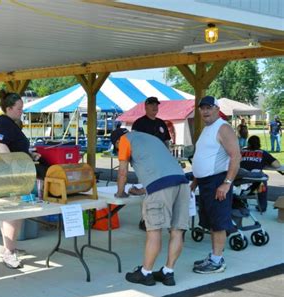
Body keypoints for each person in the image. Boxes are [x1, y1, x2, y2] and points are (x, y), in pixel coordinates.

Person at [111, 128, 189, 286]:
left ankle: (146, 273)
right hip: (182, 182)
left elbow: (122, 172)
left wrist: (120, 193)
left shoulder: (125, 140)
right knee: (177, 230)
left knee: (154, 231)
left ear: (118, 142)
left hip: (161, 187)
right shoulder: (150, 137)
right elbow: (159, 166)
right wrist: (144, 189)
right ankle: (168, 272)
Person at [0, 89, 42, 269]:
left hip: (11, 173)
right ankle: (9, 252)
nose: (22, 112)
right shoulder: (3, 124)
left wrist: (28, 155)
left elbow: (11, 146)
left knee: (10, 213)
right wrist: (13, 166)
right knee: (13, 212)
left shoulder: (10, 123)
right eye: (19, 109)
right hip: (8, 176)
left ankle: (8, 248)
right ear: (9, 108)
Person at [191, 96, 241, 274]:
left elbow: (236, 156)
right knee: (212, 222)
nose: (205, 111)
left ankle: (218, 261)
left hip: (217, 182)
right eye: (202, 108)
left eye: (209, 107)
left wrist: (226, 183)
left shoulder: (223, 128)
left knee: (219, 222)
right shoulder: (207, 129)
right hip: (205, 183)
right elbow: (203, 157)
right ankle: (214, 256)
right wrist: (195, 183)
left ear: (216, 109)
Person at [131, 96, 172, 231]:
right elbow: (134, 142)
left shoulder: (161, 123)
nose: (155, 107)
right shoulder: (139, 123)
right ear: (146, 107)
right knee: (146, 190)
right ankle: (144, 219)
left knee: (159, 190)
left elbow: (166, 141)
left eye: (156, 105)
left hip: (161, 162)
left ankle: (157, 216)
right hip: (146, 163)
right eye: (152, 105)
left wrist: (168, 157)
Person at [240, 135, 281, 212]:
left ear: (248, 143)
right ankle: (262, 207)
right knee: (262, 180)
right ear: (259, 143)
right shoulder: (263, 153)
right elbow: (277, 165)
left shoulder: (241, 152)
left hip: (241, 180)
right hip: (256, 181)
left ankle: (242, 204)